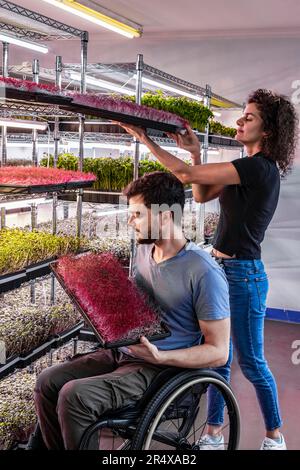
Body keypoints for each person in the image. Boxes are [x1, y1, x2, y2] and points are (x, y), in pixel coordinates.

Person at [117, 88, 298, 450]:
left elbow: (184, 176)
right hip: (223, 268)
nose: (240, 121)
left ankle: (275, 436)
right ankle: (214, 432)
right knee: (218, 358)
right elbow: (200, 195)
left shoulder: (258, 168)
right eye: (242, 114)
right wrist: (196, 152)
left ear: (269, 132)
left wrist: (145, 138)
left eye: (250, 117)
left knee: (251, 362)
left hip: (244, 274)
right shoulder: (245, 167)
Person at [34, 171, 230, 450]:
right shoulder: (143, 250)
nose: (129, 221)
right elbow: (135, 308)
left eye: (137, 214)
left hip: (159, 368)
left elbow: (218, 351)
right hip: (124, 351)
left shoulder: (203, 272)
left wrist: (161, 356)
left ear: (164, 216)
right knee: (48, 381)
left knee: (74, 396)